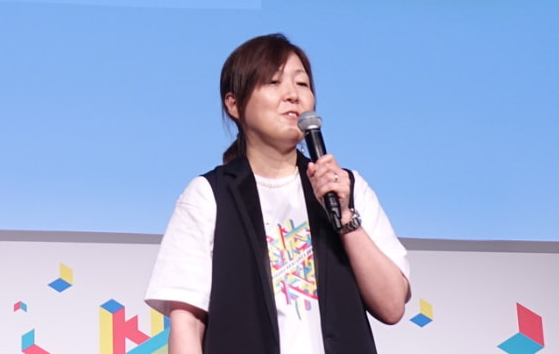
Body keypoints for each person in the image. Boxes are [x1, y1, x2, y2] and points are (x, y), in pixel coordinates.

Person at [145, 33, 410, 354]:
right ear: (234, 104)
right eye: (273, 82)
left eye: (302, 84)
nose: (292, 95)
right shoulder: (208, 195)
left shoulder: (346, 187)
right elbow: (187, 323)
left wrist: (345, 218)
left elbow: (392, 306)